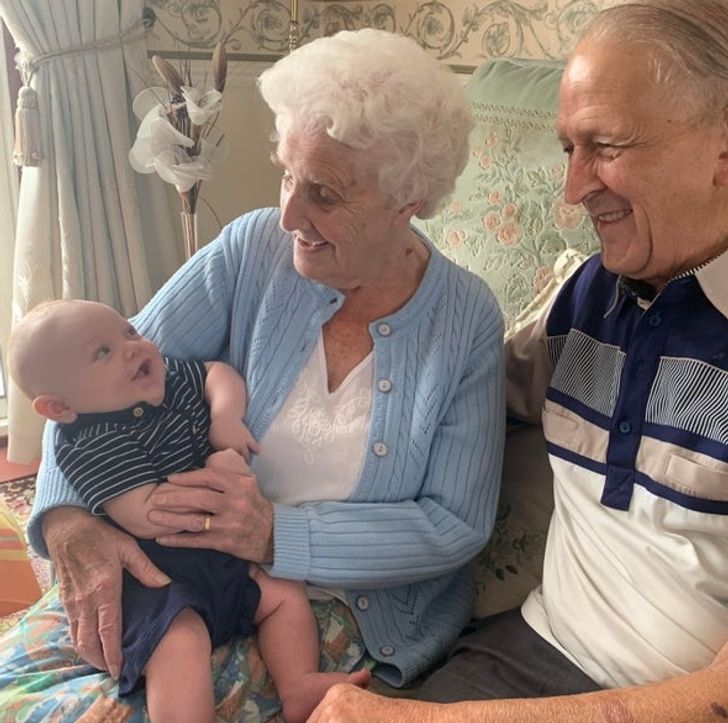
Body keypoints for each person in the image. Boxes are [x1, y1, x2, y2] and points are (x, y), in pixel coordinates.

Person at [5, 27, 505, 720]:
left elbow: (455, 524)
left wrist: (273, 535)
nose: (290, 213)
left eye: (324, 193)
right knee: (14, 682)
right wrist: (65, 519)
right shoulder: (252, 248)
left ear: (406, 202)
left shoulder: (467, 318)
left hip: (329, 607)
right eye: (286, 172)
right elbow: (96, 377)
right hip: (177, 563)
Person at [305, 1, 728, 720]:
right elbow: (448, 401)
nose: (573, 190)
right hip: (523, 653)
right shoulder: (587, 295)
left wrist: (429, 721)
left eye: (606, 145)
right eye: (569, 149)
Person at [7, 298, 370, 723]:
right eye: (102, 351)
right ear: (59, 408)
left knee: (285, 595)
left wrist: (225, 418)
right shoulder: (88, 441)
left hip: (220, 556)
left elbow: (217, 374)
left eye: (128, 331)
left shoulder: (163, 378)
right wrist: (221, 471)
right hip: (157, 582)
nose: (133, 346)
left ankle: (299, 685)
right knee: (179, 642)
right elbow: (148, 514)